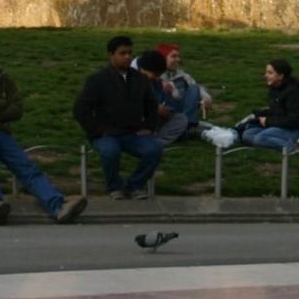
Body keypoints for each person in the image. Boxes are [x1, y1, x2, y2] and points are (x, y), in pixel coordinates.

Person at [0, 37, 87, 225]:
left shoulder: (5, 78)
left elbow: (17, 109)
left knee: (28, 169)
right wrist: (2, 104)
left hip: (2, 132)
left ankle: (58, 206)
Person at [72, 34, 164, 199]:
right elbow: (80, 109)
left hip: (133, 133)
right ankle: (114, 187)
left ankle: (135, 185)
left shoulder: (140, 79)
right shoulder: (97, 80)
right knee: (110, 151)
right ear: (111, 55)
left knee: (154, 149)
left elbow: (151, 105)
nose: (127, 57)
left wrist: (149, 127)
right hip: (106, 133)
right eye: (122, 53)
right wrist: (96, 131)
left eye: (130, 53)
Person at [239, 59, 299, 158]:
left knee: (260, 138)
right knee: (247, 134)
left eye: (270, 73)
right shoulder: (275, 88)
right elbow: (276, 110)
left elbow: (293, 120)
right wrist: (258, 114)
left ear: (281, 76)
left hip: (295, 129)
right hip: (280, 127)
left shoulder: (294, 93)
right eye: (266, 72)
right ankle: (291, 143)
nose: (266, 75)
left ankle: (298, 150)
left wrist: (268, 121)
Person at [135, 49, 189, 147]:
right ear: (143, 69)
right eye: (155, 75)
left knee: (180, 119)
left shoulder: (156, 81)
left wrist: (166, 111)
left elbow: (162, 101)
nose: (157, 78)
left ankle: (154, 141)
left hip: (153, 120)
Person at [156, 42, 212, 129]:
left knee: (194, 88)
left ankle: (188, 123)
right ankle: (184, 125)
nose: (178, 60)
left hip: (180, 107)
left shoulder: (182, 74)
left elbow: (196, 87)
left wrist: (206, 98)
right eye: (173, 56)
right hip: (164, 110)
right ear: (163, 58)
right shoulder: (155, 75)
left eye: (178, 57)